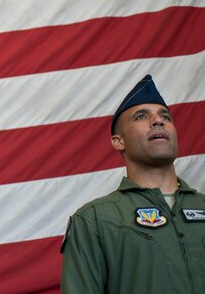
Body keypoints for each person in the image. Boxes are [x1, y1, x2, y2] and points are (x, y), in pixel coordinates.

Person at [60, 75, 205, 293]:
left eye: (165, 116)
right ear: (119, 141)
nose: (158, 121)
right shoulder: (95, 221)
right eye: (141, 117)